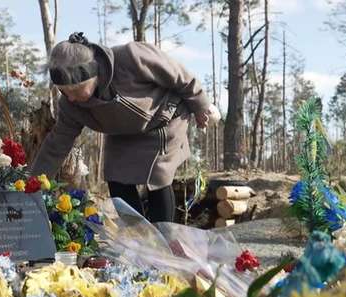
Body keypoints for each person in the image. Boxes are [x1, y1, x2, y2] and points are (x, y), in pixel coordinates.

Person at [30, 32, 214, 223]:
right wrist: (32, 185)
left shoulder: (132, 57)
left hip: (164, 120)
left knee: (157, 176)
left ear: (94, 74)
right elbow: (56, 145)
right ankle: (137, 236)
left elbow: (181, 77)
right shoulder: (70, 105)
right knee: (116, 177)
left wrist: (200, 107)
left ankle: (163, 239)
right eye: (63, 91)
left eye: (75, 90)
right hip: (123, 131)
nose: (70, 98)